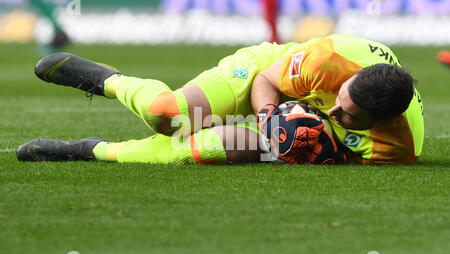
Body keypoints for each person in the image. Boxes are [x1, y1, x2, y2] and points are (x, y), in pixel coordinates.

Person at [17, 34, 424, 165]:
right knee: (168, 115)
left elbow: (345, 156)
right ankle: (108, 80)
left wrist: (313, 144)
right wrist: (269, 116)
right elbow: (267, 80)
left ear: (380, 120)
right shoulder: (325, 62)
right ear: (349, 79)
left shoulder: (400, 146)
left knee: (194, 151)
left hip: (302, 125)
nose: (334, 109)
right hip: (268, 74)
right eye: (340, 98)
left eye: (347, 115)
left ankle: (91, 151)